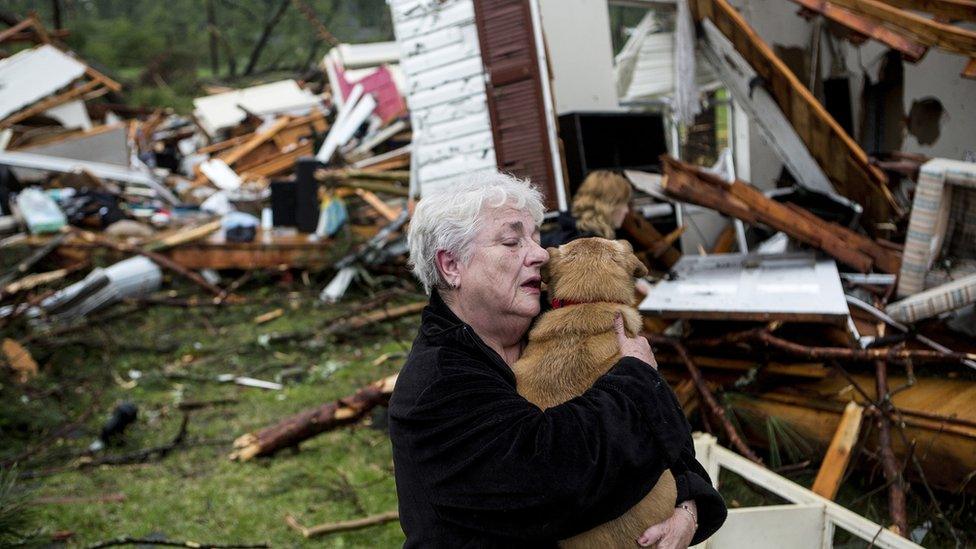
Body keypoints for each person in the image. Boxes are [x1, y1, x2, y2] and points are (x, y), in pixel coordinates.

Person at [389, 173, 725, 548]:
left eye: (535, 237)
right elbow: (556, 476)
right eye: (513, 241)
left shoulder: (564, 322)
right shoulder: (437, 386)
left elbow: (670, 432)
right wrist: (635, 379)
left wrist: (690, 505)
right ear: (451, 265)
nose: (541, 253)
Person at [542, 169, 633, 247]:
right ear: (610, 205)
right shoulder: (590, 246)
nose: (626, 210)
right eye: (624, 203)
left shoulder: (569, 235)